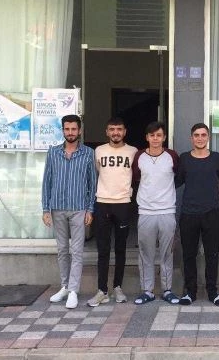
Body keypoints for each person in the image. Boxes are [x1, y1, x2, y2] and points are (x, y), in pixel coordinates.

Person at [41, 114, 96, 310]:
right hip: (57, 207)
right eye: (67, 129)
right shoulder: (53, 152)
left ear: (79, 131)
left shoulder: (88, 153)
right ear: (62, 130)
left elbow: (92, 183)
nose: (70, 132)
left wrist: (90, 209)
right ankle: (64, 286)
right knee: (62, 250)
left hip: (79, 208)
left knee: (77, 251)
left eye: (74, 129)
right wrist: (45, 208)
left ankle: (73, 290)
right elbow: (46, 181)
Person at [88, 117, 138, 307]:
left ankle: (118, 287)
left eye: (119, 129)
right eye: (112, 129)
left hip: (123, 204)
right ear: (107, 132)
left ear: (124, 132)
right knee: (103, 249)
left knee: (120, 249)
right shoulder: (99, 151)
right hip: (102, 203)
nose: (115, 132)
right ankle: (102, 290)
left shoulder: (133, 151)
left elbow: (136, 176)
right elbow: (96, 173)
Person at [131, 121, 181, 305]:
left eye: (159, 135)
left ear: (164, 137)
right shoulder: (139, 156)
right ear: (147, 137)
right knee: (146, 253)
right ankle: (147, 291)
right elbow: (136, 179)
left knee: (167, 253)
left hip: (167, 211)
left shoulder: (172, 156)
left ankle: (167, 290)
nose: (155, 139)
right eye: (152, 135)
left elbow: (178, 178)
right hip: (146, 212)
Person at [177, 123, 219, 306]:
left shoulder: (216, 158)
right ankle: (190, 292)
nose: (200, 138)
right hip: (188, 213)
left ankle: (213, 292)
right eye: (196, 135)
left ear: (208, 137)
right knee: (189, 255)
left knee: (212, 255)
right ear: (191, 138)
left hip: (211, 213)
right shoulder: (184, 158)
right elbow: (177, 181)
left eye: (203, 135)